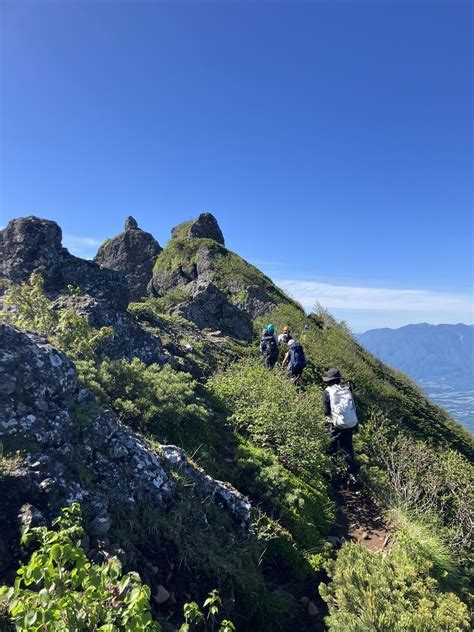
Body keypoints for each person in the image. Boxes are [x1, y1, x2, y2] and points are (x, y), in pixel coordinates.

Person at [322, 368, 359, 478]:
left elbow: (326, 412)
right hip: (350, 423)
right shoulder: (347, 389)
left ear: (329, 380)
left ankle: (332, 473)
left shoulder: (327, 392)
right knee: (347, 448)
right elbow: (353, 407)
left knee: (331, 447)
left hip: (336, 424)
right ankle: (352, 475)